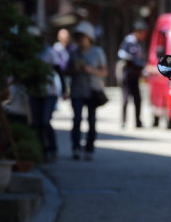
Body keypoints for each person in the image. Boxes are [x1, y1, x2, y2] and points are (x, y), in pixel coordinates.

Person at [67, 21, 108, 161]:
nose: (80, 39)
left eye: (83, 36)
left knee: (91, 120)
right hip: (77, 90)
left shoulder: (97, 52)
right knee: (77, 119)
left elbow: (104, 72)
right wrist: (75, 70)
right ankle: (76, 147)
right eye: (78, 36)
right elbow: (66, 71)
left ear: (89, 37)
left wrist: (91, 70)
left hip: (92, 91)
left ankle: (89, 149)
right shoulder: (74, 53)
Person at [28, 27, 67, 162]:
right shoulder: (28, 52)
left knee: (45, 121)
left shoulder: (48, 52)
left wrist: (65, 90)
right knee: (36, 123)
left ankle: (53, 148)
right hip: (34, 91)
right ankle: (42, 151)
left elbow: (59, 71)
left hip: (49, 92)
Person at [118, 21, 149, 128]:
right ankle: (123, 121)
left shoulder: (137, 43)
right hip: (127, 74)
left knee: (138, 99)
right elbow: (125, 56)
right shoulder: (129, 41)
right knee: (126, 99)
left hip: (135, 75)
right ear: (137, 32)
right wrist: (141, 65)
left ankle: (138, 122)